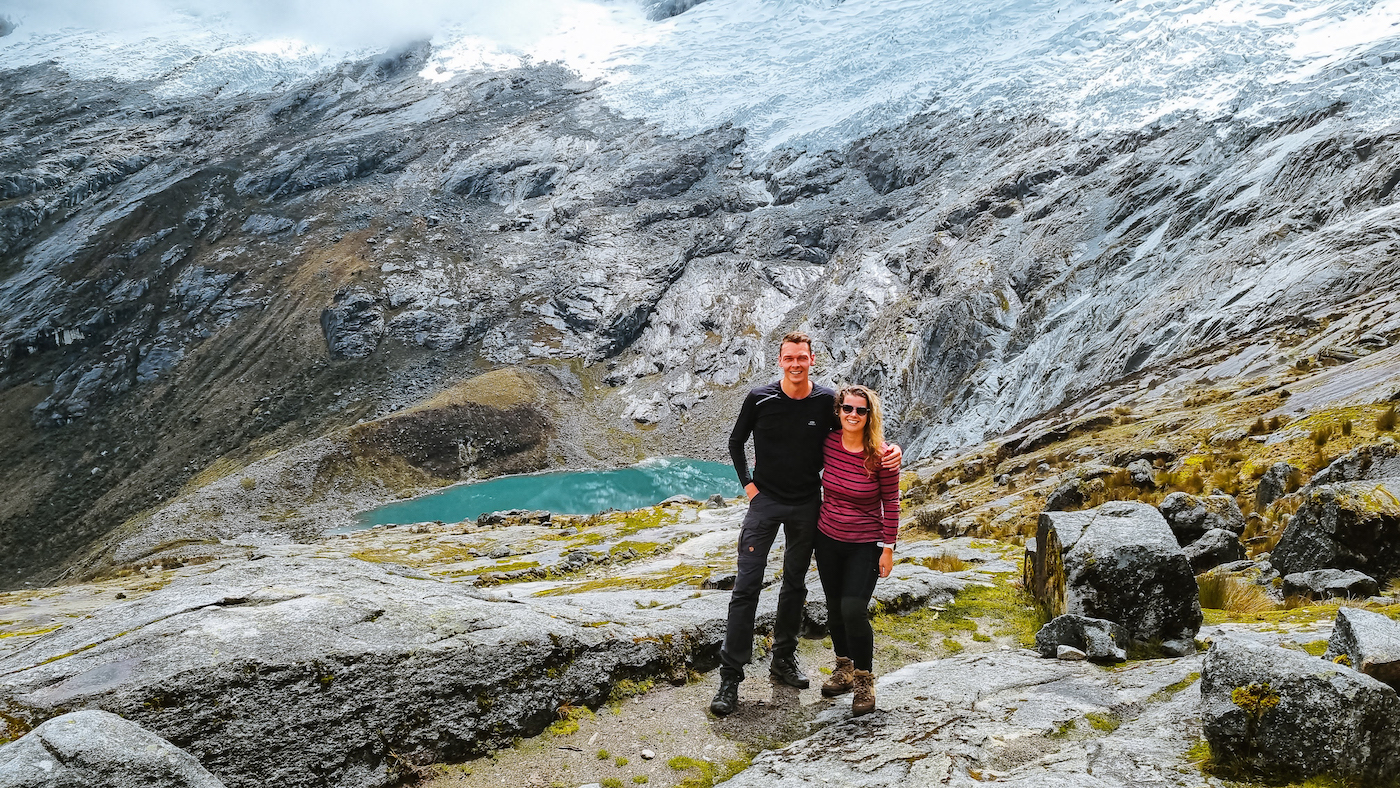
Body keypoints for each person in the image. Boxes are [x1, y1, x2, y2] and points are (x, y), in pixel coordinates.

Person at [710, 332, 899, 716]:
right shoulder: (759, 398)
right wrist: (749, 488)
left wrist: (891, 450)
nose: (796, 363)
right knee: (746, 587)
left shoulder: (827, 401)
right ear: (780, 360)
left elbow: (856, 426)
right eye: (789, 357)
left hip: (807, 507)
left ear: (813, 359)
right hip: (764, 504)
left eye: (802, 357)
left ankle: (783, 659)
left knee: (794, 585)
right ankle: (731, 676)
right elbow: (735, 442)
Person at [814, 385, 898, 715]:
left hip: (865, 543)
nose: (853, 415)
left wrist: (888, 548)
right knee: (834, 608)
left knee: (853, 609)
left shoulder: (882, 455)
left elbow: (891, 503)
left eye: (860, 411)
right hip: (827, 538)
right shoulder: (828, 443)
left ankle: (864, 679)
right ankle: (844, 668)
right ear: (839, 411)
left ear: (869, 415)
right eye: (847, 409)